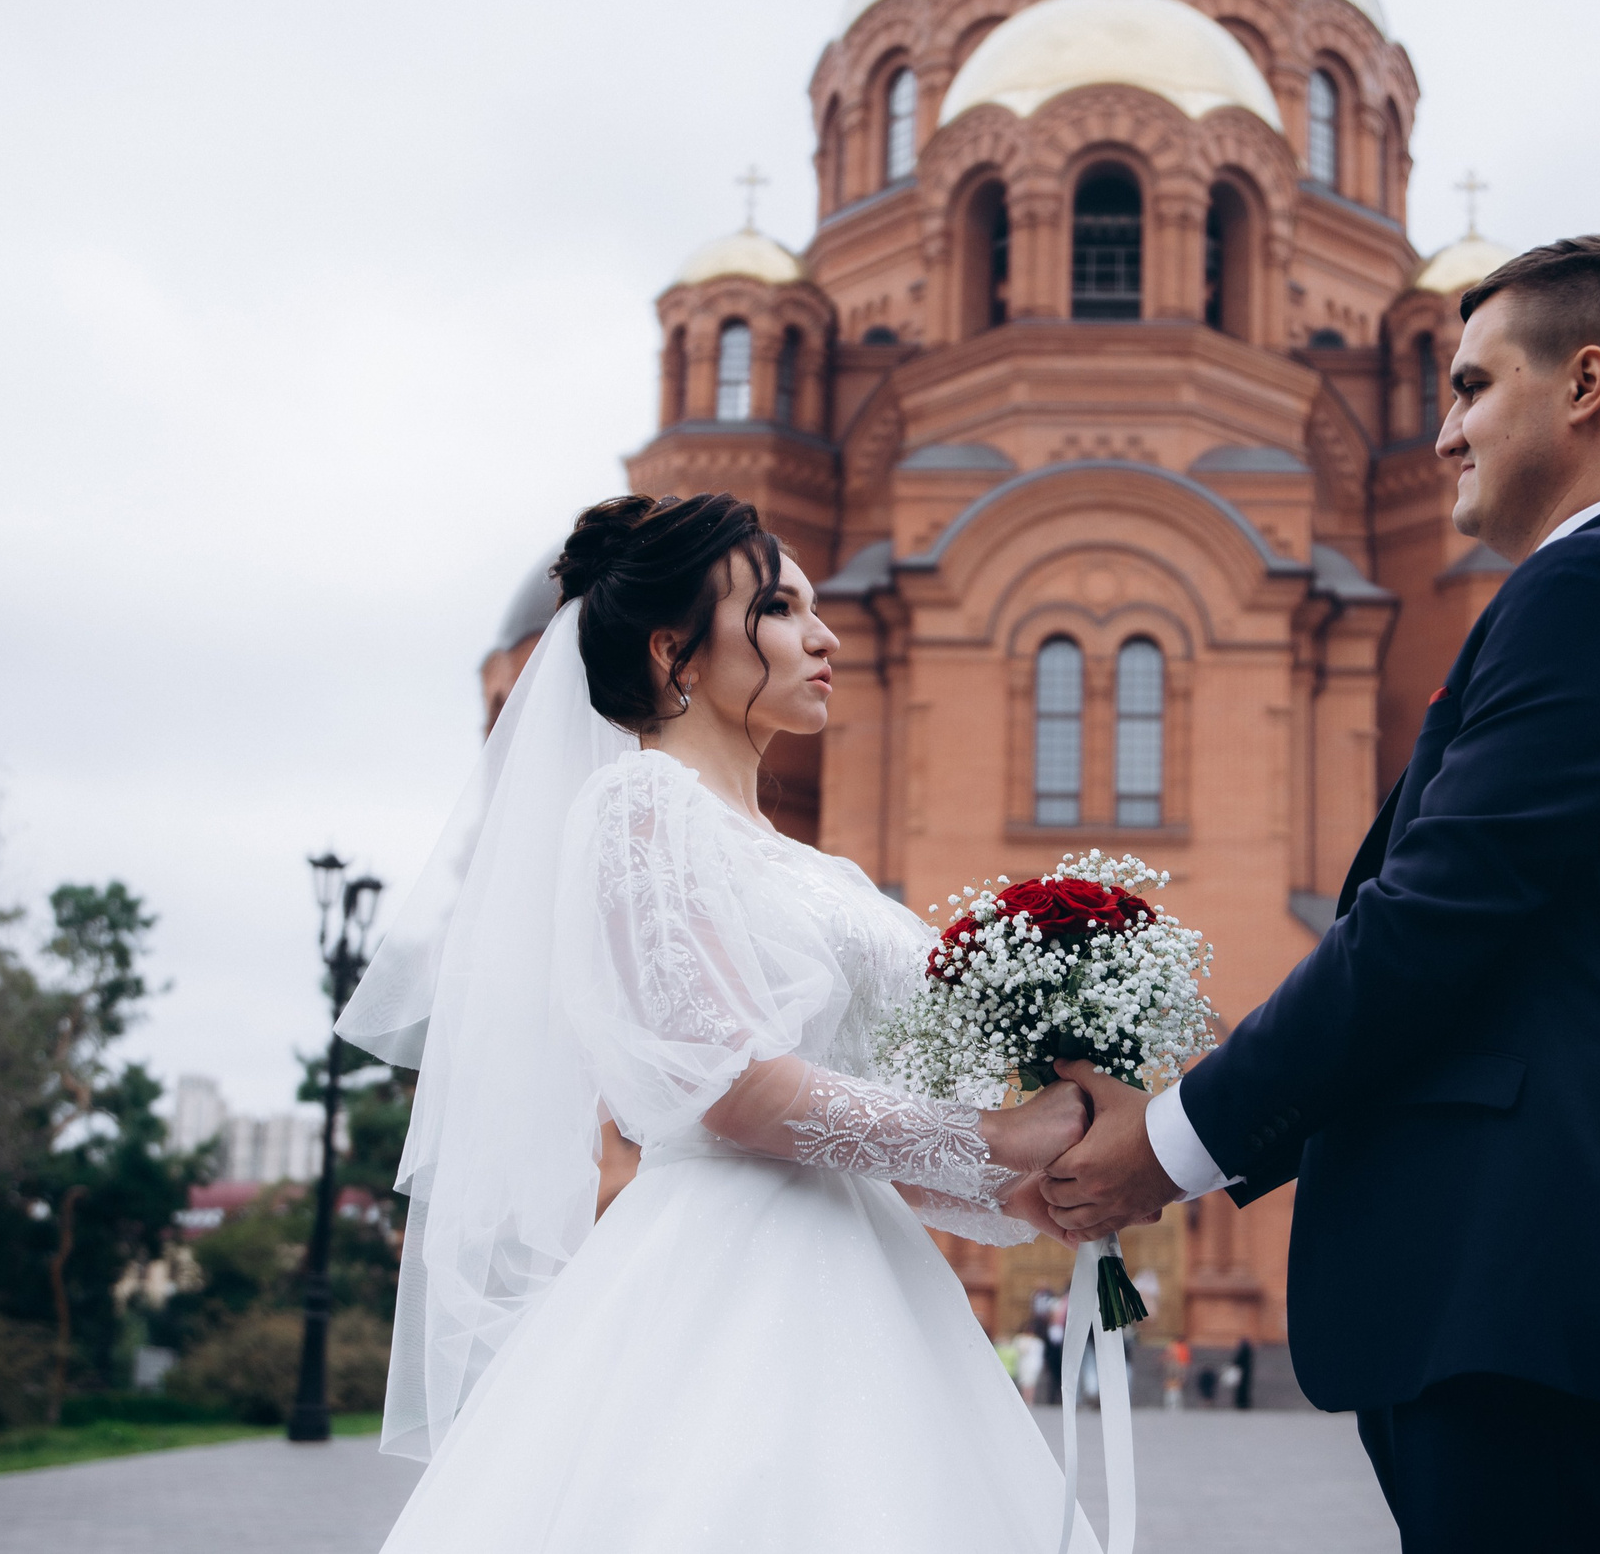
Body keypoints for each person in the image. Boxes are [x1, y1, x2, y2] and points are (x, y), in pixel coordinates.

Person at [1040, 236, 1600, 1552]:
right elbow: (1474, 956)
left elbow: (1427, 930)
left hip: (1534, 1296)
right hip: (1529, 1300)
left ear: (1585, 384)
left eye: (1474, 388)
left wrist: (1164, 1146)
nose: (1442, 434)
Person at [337, 492, 1098, 1553]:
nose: (823, 636)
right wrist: (994, 1138)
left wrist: (1028, 1181)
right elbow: (729, 1082)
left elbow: (877, 1106)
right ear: (674, 652)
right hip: (729, 1276)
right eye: (782, 608)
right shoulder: (641, 809)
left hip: (869, 1276)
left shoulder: (824, 870)